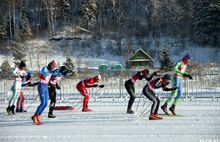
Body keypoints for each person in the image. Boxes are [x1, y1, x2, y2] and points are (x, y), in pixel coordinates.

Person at [31, 60, 61, 125]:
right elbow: (45, 73)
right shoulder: (45, 68)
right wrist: (52, 72)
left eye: (54, 68)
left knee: (45, 103)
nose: (53, 69)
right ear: (50, 66)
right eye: (52, 67)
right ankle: (35, 116)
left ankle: (38, 115)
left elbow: (57, 74)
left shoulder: (51, 71)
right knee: (42, 103)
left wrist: (63, 73)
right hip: (41, 86)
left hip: (46, 86)